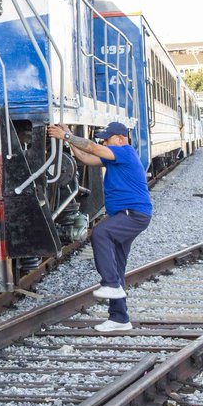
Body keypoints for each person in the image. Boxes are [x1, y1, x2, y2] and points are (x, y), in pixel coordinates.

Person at [46, 121, 152, 333]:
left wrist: (66, 137)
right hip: (126, 215)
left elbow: (93, 148)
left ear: (120, 139)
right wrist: (68, 137)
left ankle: (111, 284)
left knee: (101, 233)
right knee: (118, 264)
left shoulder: (125, 152)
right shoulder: (114, 159)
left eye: (108, 139)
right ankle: (120, 318)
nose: (104, 142)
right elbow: (85, 157)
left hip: (133, 214)